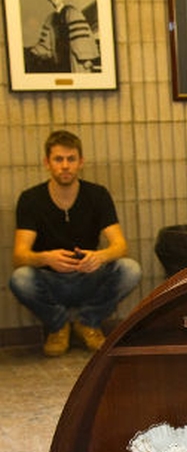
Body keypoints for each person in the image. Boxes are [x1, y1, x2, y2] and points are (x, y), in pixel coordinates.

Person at [10, 130, 141, 357]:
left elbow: (120, 246)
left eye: (71, 159)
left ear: (81, 162)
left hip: (88, 276)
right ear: (47, 163)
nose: (65, 166)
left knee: (130, 269)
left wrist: (99, 256)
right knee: (20, 279)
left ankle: (88, 322)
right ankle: (58, 326)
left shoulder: (97, 195)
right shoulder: (30, 199)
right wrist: (46, 258)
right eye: (58, 159)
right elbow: (19, 256)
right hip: (50, 279)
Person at [28, 0, 99, 73]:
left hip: (74, 59)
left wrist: (86, 58)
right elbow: (45, 43)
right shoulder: (50, 19)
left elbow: (81, 37)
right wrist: (33, 52)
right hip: (58, 60)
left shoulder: (73, 13)